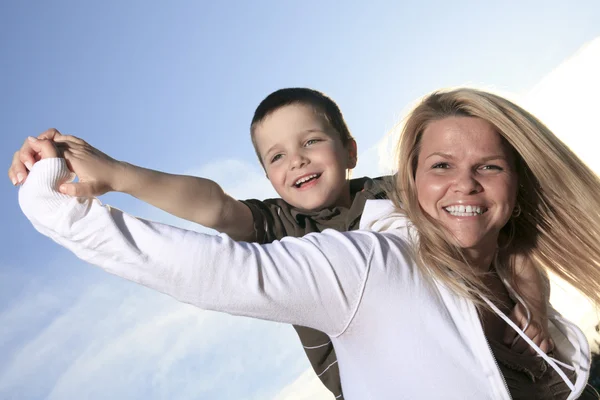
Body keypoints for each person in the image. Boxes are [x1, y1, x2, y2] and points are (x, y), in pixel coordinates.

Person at [13, 87, 593, 398]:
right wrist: (116, 174)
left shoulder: (405, 193)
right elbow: (210, 207)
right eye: (276, 157)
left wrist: (533, 307)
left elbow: (512, 246)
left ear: (349, 149)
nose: (297, 162)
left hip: (495, 352)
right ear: (267, 178)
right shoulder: (276, 225)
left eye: (310, 142)